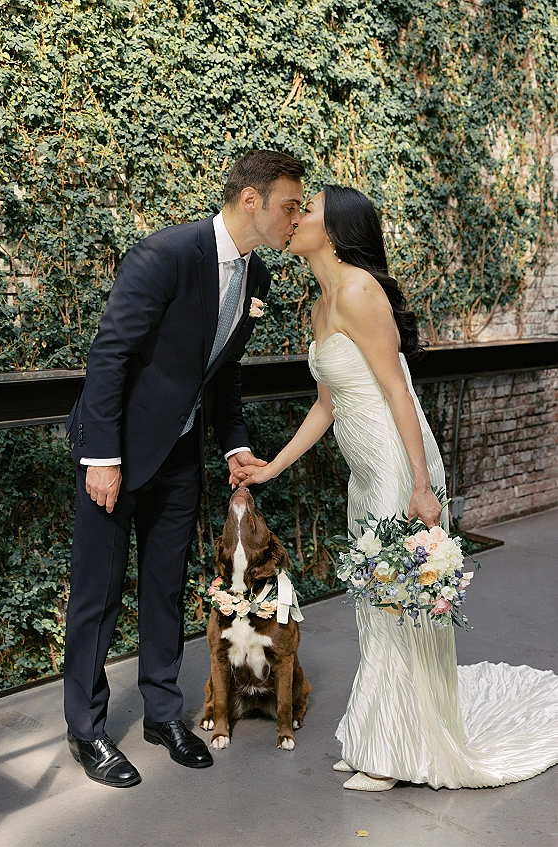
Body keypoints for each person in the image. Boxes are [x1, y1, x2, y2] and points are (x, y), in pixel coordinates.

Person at [237, 185, 558, 790]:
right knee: (376, 606)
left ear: (335, 231)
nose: (295, 217)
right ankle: (381, 736)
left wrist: (421, 484)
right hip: (365, 472)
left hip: (396, 465)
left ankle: (394, 754)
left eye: (309, 210)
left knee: (395, 606)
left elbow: (398, 393)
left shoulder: (361, 291)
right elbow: (327, 406)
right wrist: (273, 467)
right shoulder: (321, 306)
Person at [63, 150, 305, 787]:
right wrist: (102, 458)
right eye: (289, 206)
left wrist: (233, 446)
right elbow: (109, 355)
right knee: (97, 595)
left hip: (180, 457)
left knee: (167, 588)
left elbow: (223, 374)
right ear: (251, 200)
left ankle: (163, 715)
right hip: (115, 454)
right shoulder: (165, 255)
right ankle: (86, 730)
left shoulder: (256, 277)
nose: (296, 218)